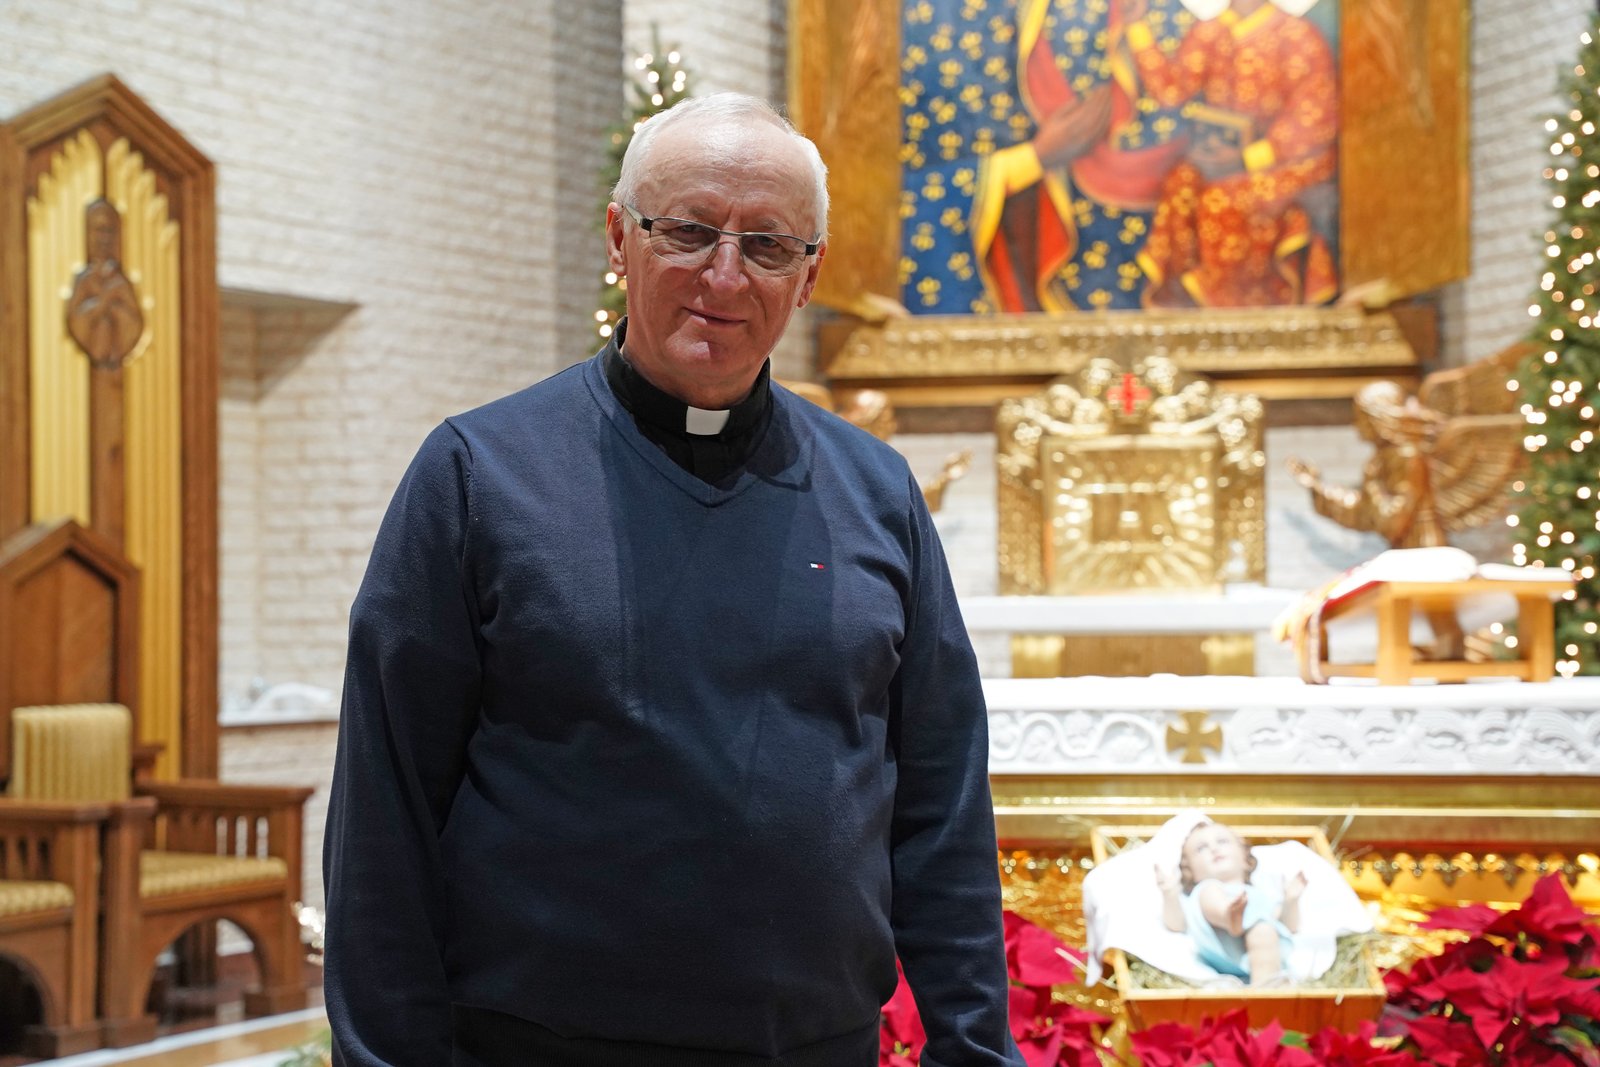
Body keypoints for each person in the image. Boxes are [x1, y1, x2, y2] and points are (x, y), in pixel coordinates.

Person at [322, 92, 1023, 1067]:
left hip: (814, 1047)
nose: (724, 276)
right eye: (689, 231)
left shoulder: (876, 492)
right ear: (620, 237)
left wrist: (973, 1045)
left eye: (768, 245)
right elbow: (384, 812)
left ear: (809, 273)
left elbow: (942, 802)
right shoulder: (479, 474)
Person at [1123, 0, 1339, 307]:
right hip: (1224, 161)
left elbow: (1313, 116)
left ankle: (1238, 313)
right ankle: (1183, 305)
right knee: (1180, 184)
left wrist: (1247, 159)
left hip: (1290, 164)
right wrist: (1137, 27)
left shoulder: (1299, 35)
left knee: (1220, 203)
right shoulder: (1211, 33)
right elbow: (1171, 91)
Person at [1155, 821, 1306, 985]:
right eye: (1201, 848)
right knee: (1260, 928)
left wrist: (1291, 901)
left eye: (1222, 841)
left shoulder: (1260, 894)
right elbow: (1175, 925)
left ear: (1245, 858)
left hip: (1261, 958)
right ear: (1190, 871)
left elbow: (1289, 927)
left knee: (1266, 928)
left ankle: (1270, 985)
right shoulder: (1206, 889)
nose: (1214, 849)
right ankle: (1229, 916)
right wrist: (1169, 894)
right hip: (1224, 936)